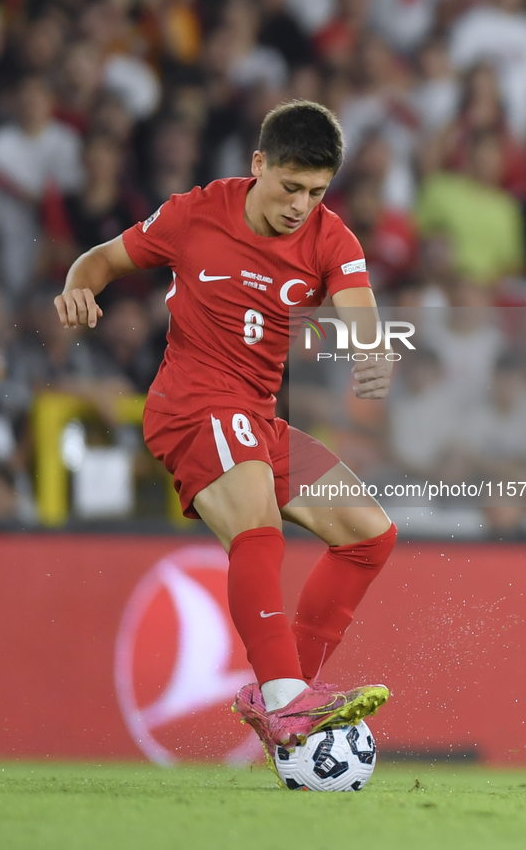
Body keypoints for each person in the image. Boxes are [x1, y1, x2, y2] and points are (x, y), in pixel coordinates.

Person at [53, 100, 397, 774]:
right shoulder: (194, 212)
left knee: (367, 535)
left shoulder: (332, 240)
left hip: (255, 419)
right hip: (189, 404)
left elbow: (362, 316)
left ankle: (285, 688)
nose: (301, 205)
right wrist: (77, 287)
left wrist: (369, 349)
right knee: (257, 523)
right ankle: (285, 697)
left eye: (317, 192)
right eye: (290, 186)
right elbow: (100, 260)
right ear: (258, 165)